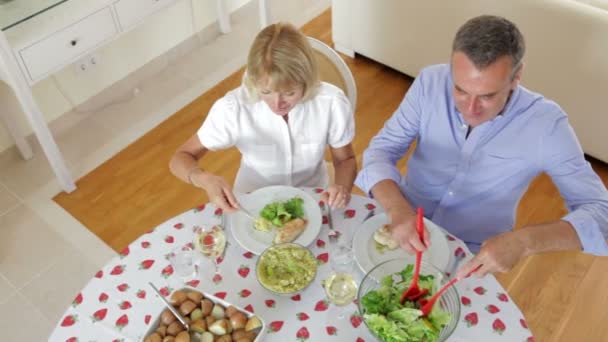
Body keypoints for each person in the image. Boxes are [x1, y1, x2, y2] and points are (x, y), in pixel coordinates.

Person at [355, 15, 608, 279]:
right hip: (401, 225)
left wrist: (523, 242)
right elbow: (382, 150)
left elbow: (602, 214)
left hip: (471, 257)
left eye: (487, 96)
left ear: (516, 77)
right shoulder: (430, 82)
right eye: (461, 90)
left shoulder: (547, 125)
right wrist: (398, 209)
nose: (470, 109)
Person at [170, 22, 357, 213]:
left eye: (289, 93)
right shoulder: (234, 108)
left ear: (306, 81)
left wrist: (341, 188)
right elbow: (181, 157)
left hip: (313, 200)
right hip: (252, 204)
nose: (277, 103)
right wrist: (204, 179)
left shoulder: (330, 103)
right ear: (254, 80)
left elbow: (345, 160)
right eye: (266, 91)